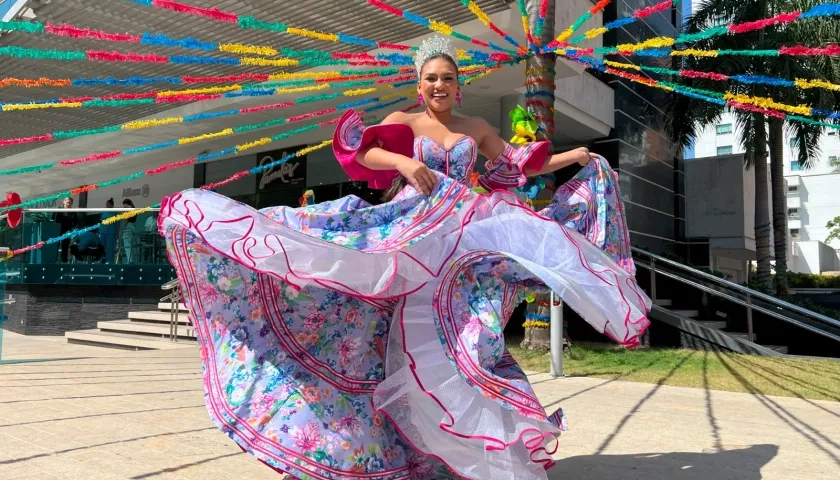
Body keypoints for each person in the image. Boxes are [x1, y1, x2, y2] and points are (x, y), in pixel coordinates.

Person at [158, 35, 650, 480]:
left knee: (459, 339)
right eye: (431, 78)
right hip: (407, 232)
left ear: (459, 85)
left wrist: (575, 157)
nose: (440, 85)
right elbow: (364, 154)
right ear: (420, 84)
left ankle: (447, 452)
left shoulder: (475, 126)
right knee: (371, 328)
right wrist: (405, 161)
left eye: (448, 78)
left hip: (455, 241)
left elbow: (517, 164)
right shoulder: (403, 122)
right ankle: (366, 447)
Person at [53, 197, 78, 263]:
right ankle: (54, 260)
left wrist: (71, 227)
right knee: (56, 245)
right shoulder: (59, 209)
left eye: (70, 203)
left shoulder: (72, 212)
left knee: (65, 245)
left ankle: (64, 261)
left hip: (67, 230)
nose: (68, 204)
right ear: (64, 202)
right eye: (67, 202)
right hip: (58, 229)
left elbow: (76, 221)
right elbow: (53, 218)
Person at [99, 198, 118, 264]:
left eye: (108, 204)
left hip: (111, 232)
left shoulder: (115, 213)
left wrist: (118, 232)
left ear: (112, 205)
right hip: (103, 232)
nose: (106, 205)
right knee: (101, 247)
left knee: (110, 248)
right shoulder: (103, 212)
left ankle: (109, 261)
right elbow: (101, 221)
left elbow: (117, 224)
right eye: (106, 204)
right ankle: (100, 260)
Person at [121, 198, 138, 263]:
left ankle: (130, 261)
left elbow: (126, 220)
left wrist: (123, 228)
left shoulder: (128, 210)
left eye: (124, 206)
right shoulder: (134, 209)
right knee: (131, 246)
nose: (124, 208)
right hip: (133, 226)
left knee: (127, 245)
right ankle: (132, 261)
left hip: (128, 227)